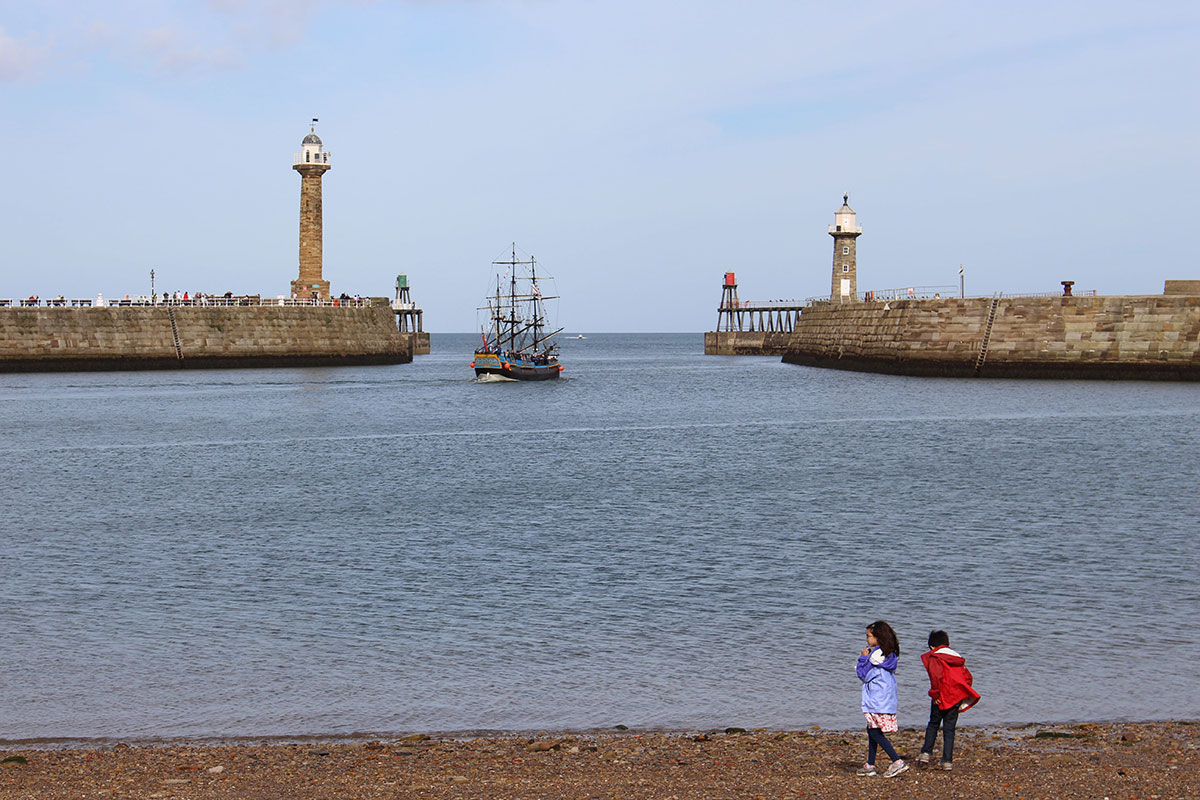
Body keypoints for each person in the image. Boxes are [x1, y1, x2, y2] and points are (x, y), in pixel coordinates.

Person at [917, 630, 980, 771]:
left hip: (941, 696)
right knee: (949, 729)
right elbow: (968, 678)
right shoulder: (956, 658)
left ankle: (926, 754)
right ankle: (947, 761)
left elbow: (936, 677)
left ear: (932, 647)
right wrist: (962, 693)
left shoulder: (936, 657)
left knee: (933, 724)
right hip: (955, 696)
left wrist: (935, 695)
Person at [856, 620, 908, 778]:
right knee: (872, 729)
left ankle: (896, 761)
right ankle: (870, 764)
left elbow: (863, 675)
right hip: (886, 699)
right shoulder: (889, 655)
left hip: (877, 700)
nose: (866, 639)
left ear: (878, 637)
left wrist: (862, 658)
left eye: (868, 636)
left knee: (875, 731)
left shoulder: (874, 658)